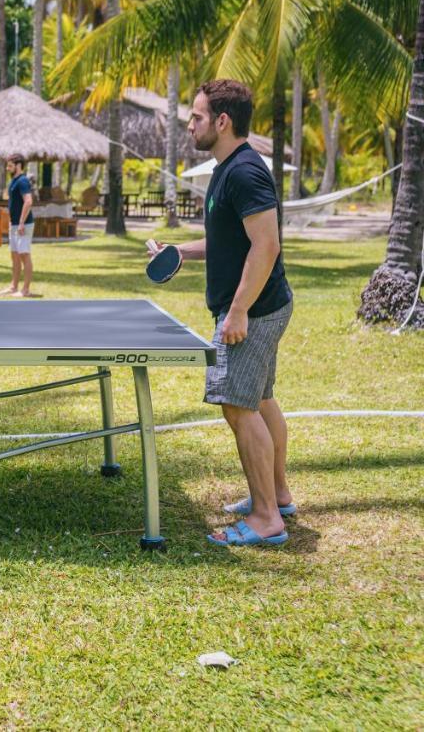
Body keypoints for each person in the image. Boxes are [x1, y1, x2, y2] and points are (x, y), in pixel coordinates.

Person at [148, 79, 294, 547]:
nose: (190, 124)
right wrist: (181, 251)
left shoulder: (245, 172)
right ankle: (279, 496)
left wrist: (237, 313)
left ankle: (267, 517)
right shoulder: (226, 169)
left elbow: (266, 246)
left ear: (222, 121)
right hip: (260, 306)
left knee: (238, 404)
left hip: (253, 310)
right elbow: (232, 240)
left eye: (196, 117)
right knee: (261, 399)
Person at [0, 153, 37, 297]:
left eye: (10, 166)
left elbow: (28, 201)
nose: (7, 168)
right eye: (7, 165)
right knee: (14, 256)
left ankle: (25, 290)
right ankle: (13, 287)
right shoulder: (14, 181)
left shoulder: (22, 181)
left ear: (18, 165)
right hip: (14, 224)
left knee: (24, 255)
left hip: (23, 225)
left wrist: (21, 222)